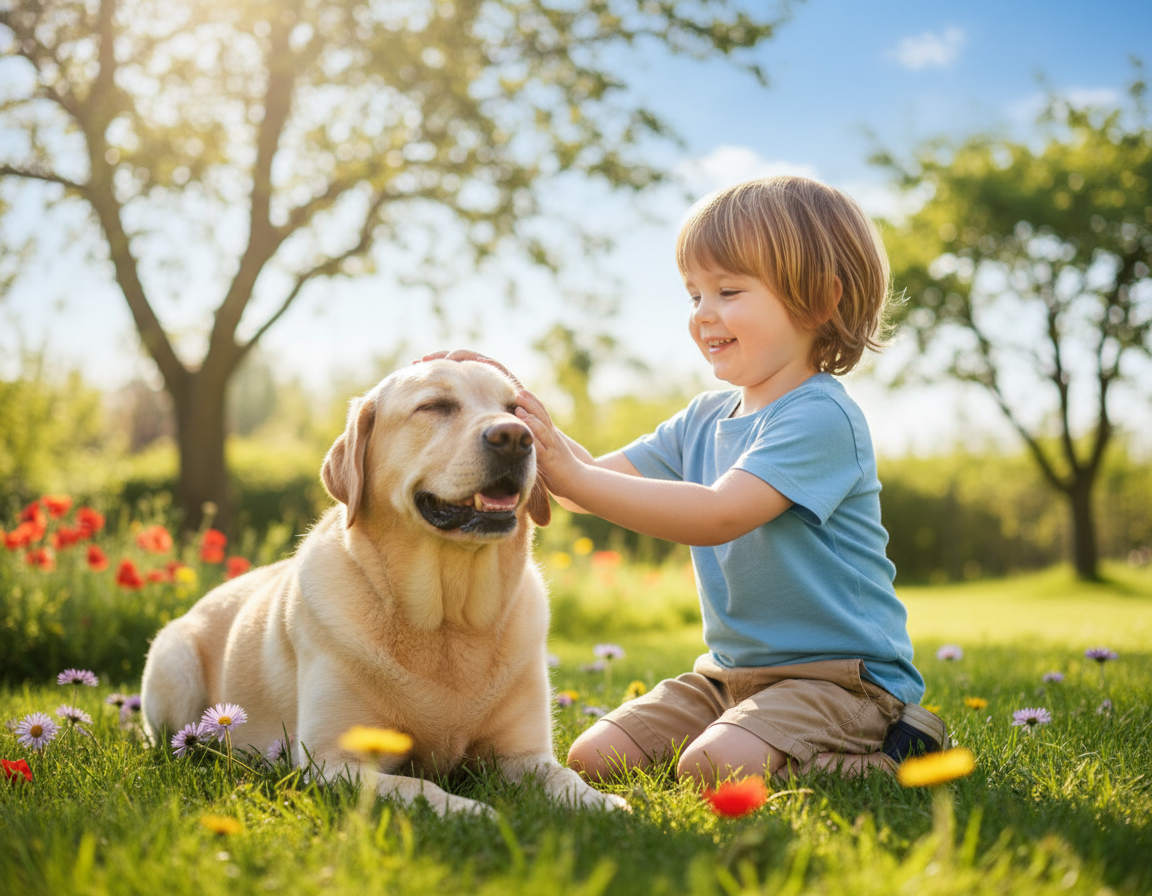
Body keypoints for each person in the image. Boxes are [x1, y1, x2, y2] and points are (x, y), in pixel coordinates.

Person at [427, 175, 947, 786]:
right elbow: (580, 482)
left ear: (819, 301)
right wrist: (513, 398)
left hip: (840, 680)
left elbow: (719, 513)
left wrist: (572, 472)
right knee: (593, 757)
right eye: (694, 295)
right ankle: (754, 737)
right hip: (727, 676)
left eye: (728, 291)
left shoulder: (821, 416)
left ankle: (900, 756)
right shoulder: (703, 417)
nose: (703, 316)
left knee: (715, 767)